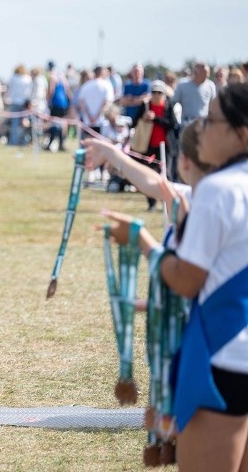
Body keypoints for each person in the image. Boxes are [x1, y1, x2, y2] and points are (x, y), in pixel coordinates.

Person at [102, 84, 248, 471]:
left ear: (242, 133)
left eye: (212, 121)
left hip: (225, 357)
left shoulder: (220, 190)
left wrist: (143, 240)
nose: (201, 127)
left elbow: (187, 281)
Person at [173, 62, 216, 126]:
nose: (207, 75)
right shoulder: (182, 85)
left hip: (203, 125)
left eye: (208, 73)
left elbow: (213, 106)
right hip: (186, 124)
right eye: (205, 73)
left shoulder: (211, 85)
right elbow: (173, 102)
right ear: (196, 72)